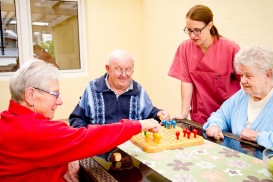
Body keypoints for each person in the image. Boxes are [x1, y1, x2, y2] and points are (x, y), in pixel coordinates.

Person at [0, 59, 161, 181]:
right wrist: (139, 124)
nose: (60, 101)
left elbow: (56, 146)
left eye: (128, 70)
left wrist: (70, 154)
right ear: (30, 95)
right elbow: (86, 138)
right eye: (55, 94)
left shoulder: (11, 119)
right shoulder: (33, 130)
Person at [69, 49, 169, 161]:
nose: (124, 74)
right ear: (108, 69)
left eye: (128, 69)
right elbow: (77, 118)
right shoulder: (92, 89)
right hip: (98, 153)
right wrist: (84, 141)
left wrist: (160, 114)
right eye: (118, 69)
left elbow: (150, 114)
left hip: (132, 155)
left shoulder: (139, 91)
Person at [203, 45, 273, 149]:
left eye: (248, 76)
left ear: (268, 75)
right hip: (238, 161)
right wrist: (215, 125)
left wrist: (258, 136)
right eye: (241, 75)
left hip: (270, 163)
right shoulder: (242, 94)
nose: (243, 81)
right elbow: (221, 115)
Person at [169, 4, 240, 125]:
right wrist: (184, 113)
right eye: (189, 30)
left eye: (197, 30)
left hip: (228, 115)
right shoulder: (185, 48)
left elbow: (244, 82)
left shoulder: (230, 48)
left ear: (210, 25)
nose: (192, 35)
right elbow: (186, 81)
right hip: (201, 115)